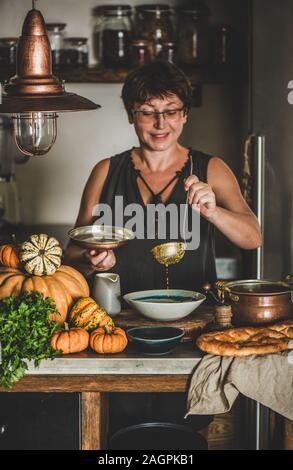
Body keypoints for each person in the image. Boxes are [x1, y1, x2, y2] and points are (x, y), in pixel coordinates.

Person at [63, 61, 262, 436]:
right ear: (130, 116)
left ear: (185, 115)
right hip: (116, 336)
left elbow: (253, 236)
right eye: (148, 113)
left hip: (194, 337)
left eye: (170, 112)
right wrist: (92, 260)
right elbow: (71, 256)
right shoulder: (106, 171)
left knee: (186, 436)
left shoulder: (211, 169)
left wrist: (213, 210)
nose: (160, 124)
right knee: (119, 436)